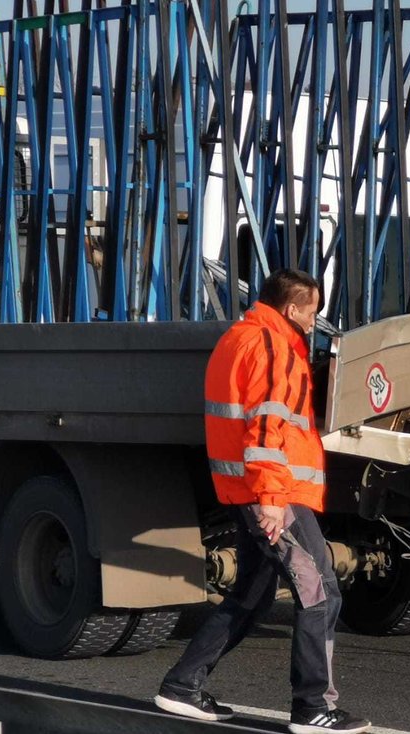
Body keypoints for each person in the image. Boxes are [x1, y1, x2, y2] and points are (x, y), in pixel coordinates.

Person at [154, 269, 371, 734]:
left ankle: (182, 685)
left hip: (249, 489)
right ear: (292, 309)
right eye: (311, 312)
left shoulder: (240, 336)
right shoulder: (276, 348)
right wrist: (272, 499)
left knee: (251, 594)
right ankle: (314, 706)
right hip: (274, 494)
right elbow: (267, 431)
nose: (314, 322)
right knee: (321, 593)